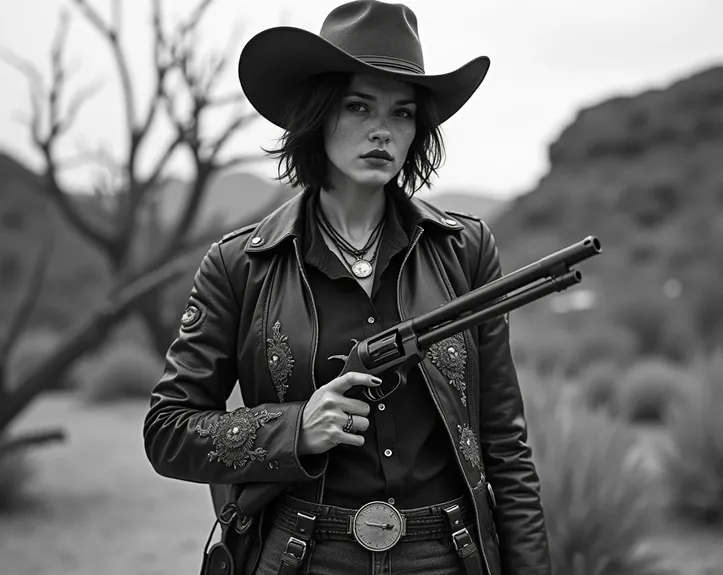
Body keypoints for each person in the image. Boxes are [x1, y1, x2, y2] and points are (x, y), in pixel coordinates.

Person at [143, 1, 551, 574]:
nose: (382, 130)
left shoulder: (466, 250)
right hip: (299, 555)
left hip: (448, 555)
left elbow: (504, 445)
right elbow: (168, 430)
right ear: (316, 115)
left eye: (403, 113)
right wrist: (294, 430)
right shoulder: (240, 263)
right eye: (358, 106)